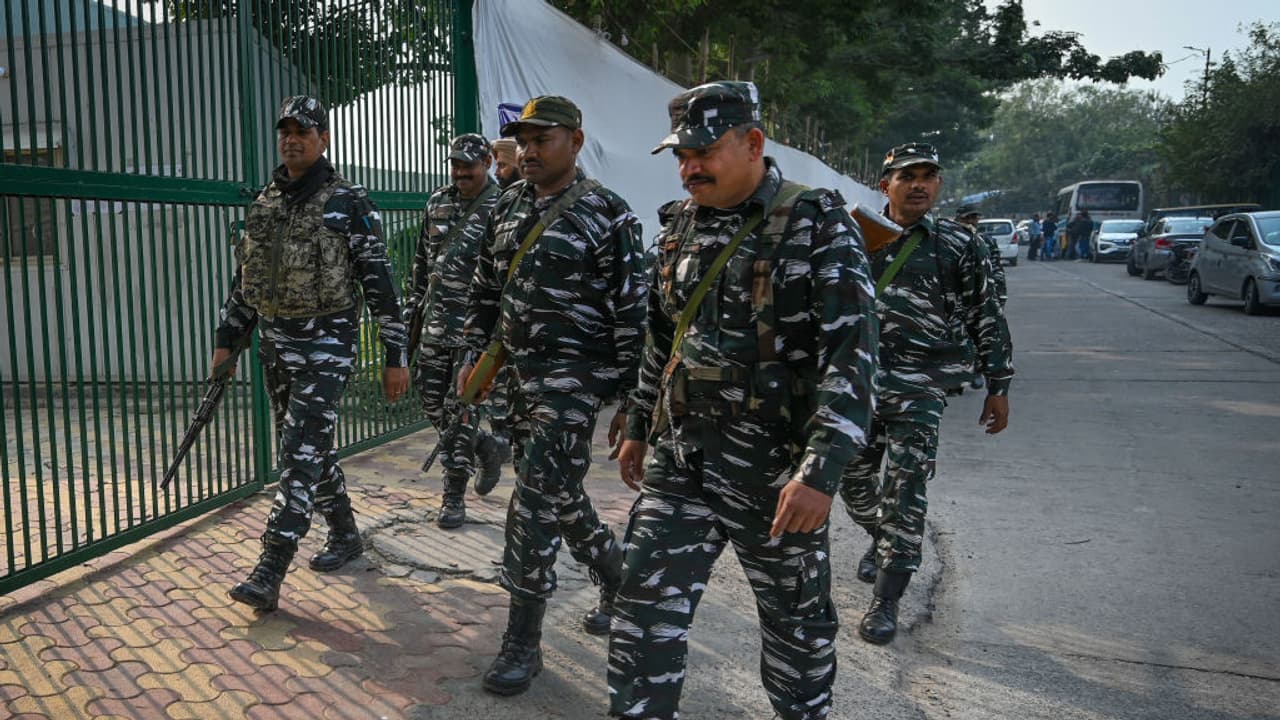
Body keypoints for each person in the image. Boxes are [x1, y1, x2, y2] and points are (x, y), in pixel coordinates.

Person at [609, 81, 879, 720]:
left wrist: (822, 471)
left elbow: (854, 356)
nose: (688, 167)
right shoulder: (679, 227)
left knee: (796, 627)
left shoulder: (815, 221)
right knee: (641, 611)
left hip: (775, 470)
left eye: (703, 151)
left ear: (753, 142)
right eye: (680, 155)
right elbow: (661, 336)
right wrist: (641, 423)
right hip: (683, 458)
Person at [457, 95, 647, 696]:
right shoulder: (507, 205)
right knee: (559, 492)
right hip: (513, 376)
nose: (530, 149)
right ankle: (616, 574)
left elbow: (632, 312)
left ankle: (522, 641)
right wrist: (472, 354)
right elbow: (487, 289)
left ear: (576, 141)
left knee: (533, 500)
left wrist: (632, 404)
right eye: (523, 139)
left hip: (573, 380)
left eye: (544, 138)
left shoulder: (607, 213)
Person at [217, 96, 410, 611]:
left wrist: (397, 354)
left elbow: (380, 284)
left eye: (303, 130)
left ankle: (270, 567)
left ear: (323, 139)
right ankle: (345, 533)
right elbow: (247, 280)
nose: (291, 138)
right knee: (311, 448)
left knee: (298, 454)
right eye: (285, 130)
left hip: (327, 345)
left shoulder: (350, 201)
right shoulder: (266, 200)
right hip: (276, 348)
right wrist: (227, 340)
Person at [839, 142, 1013, 645]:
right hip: (858, 382)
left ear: (938, 184)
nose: (918, 184)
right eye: (906, 175)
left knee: (906, 484)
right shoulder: (855, 235)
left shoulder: (961, 244)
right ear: (884, 183)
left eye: (928, 176)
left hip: (921, 386)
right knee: (851, 481)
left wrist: (998, 385)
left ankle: (887, 599)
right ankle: (882, 537)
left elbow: (987, 314)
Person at [406, 133, 509, 528]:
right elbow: (421, 262)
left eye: (469, 164)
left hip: (474, 333)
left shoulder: (502, 206)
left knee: (460, 412)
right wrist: (413, 314)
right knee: (432, 403)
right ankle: (488, 446)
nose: (462, 171)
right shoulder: (438, 202)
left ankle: (453, 498)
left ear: (487, 162)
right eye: (456, 164)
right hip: (434, 326)